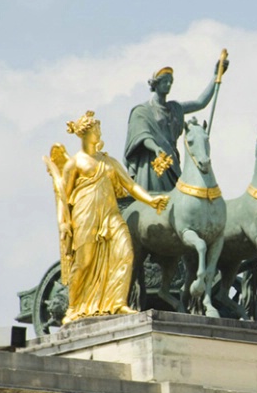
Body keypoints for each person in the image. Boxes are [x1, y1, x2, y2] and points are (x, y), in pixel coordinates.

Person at [46, 110, 169, 324]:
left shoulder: (108, 161)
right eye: (96, 129)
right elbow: (63, 198)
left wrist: (150, 200)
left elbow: (129, 185)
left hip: (110, 216)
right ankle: (73, 307)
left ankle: (117, 302)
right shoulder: (73, 163)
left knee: (125, 254)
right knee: (84, 263)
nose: (99, 132)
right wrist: (63, 223)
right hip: (85, 216)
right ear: (85, 133)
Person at [123, 57, 228, 192]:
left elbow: (200, 103)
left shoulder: (175, 108)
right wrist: (156, 148)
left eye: (170, 82)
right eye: (164, 82)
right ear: (156, 84)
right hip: (153, 163)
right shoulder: (142, 111)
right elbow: (143, 136)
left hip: (172, 162)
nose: (168, 85)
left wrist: (215, 76)